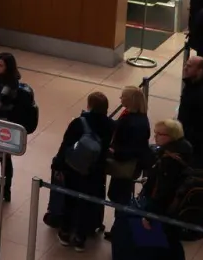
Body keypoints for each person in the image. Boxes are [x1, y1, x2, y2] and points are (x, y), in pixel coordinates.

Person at [52, 92, 113, 251]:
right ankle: (80, 237)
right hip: (95, 170)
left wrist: (57, 165)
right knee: (87, 202)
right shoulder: (111, 125)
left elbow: (65, 145)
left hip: (74, 168)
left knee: (70, 200)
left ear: (90, 105)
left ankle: (65, 232)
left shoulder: (79, 122)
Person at [0, 53, 35, 202]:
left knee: (1, 157)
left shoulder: (9, 85)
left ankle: (2, 188)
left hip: (2, 125)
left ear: (8, 67)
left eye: (0, 65)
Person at [176, 57, 203, 178]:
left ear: (200, 71)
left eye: (189, 66)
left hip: (197, 143)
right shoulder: (191, 85)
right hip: (187, 137)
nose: (185, 68)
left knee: (194, 174)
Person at [106, 86, 149, 207]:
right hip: (126, 163)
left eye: (123, 96)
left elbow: (133, 148)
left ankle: (121, 223)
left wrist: (114, 152)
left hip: (126, 164)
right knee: (118, 195)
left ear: (131, 100)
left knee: (120, 197)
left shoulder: (134, 122)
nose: (120, 98)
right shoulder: (134, 115)